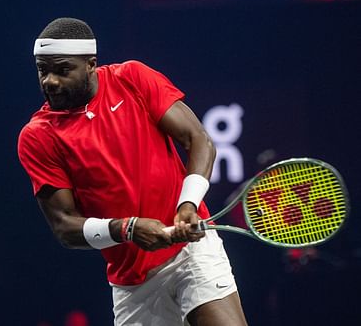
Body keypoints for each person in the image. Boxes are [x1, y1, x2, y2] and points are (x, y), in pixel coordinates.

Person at [18, 17, 247, 326]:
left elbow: (198, 139)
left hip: (191, 254)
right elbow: (65, 227)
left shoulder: (132, 79)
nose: (50, 82)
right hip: (132, 285)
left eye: (62, 70)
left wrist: (188, 204)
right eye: (42, 71)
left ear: (91, 64)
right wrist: (127, 229)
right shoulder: (38, 136)